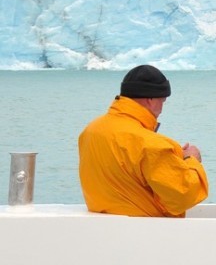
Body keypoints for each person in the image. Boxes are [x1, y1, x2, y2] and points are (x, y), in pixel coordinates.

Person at [78, 65, 208, 217]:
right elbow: (184, 195)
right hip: (145, 233)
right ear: (150, 99)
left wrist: (172, 157)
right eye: (163, 101)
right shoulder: (151, 145)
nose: (162, 108)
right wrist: (191, 159)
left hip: (104, 230)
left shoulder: (91, 130)